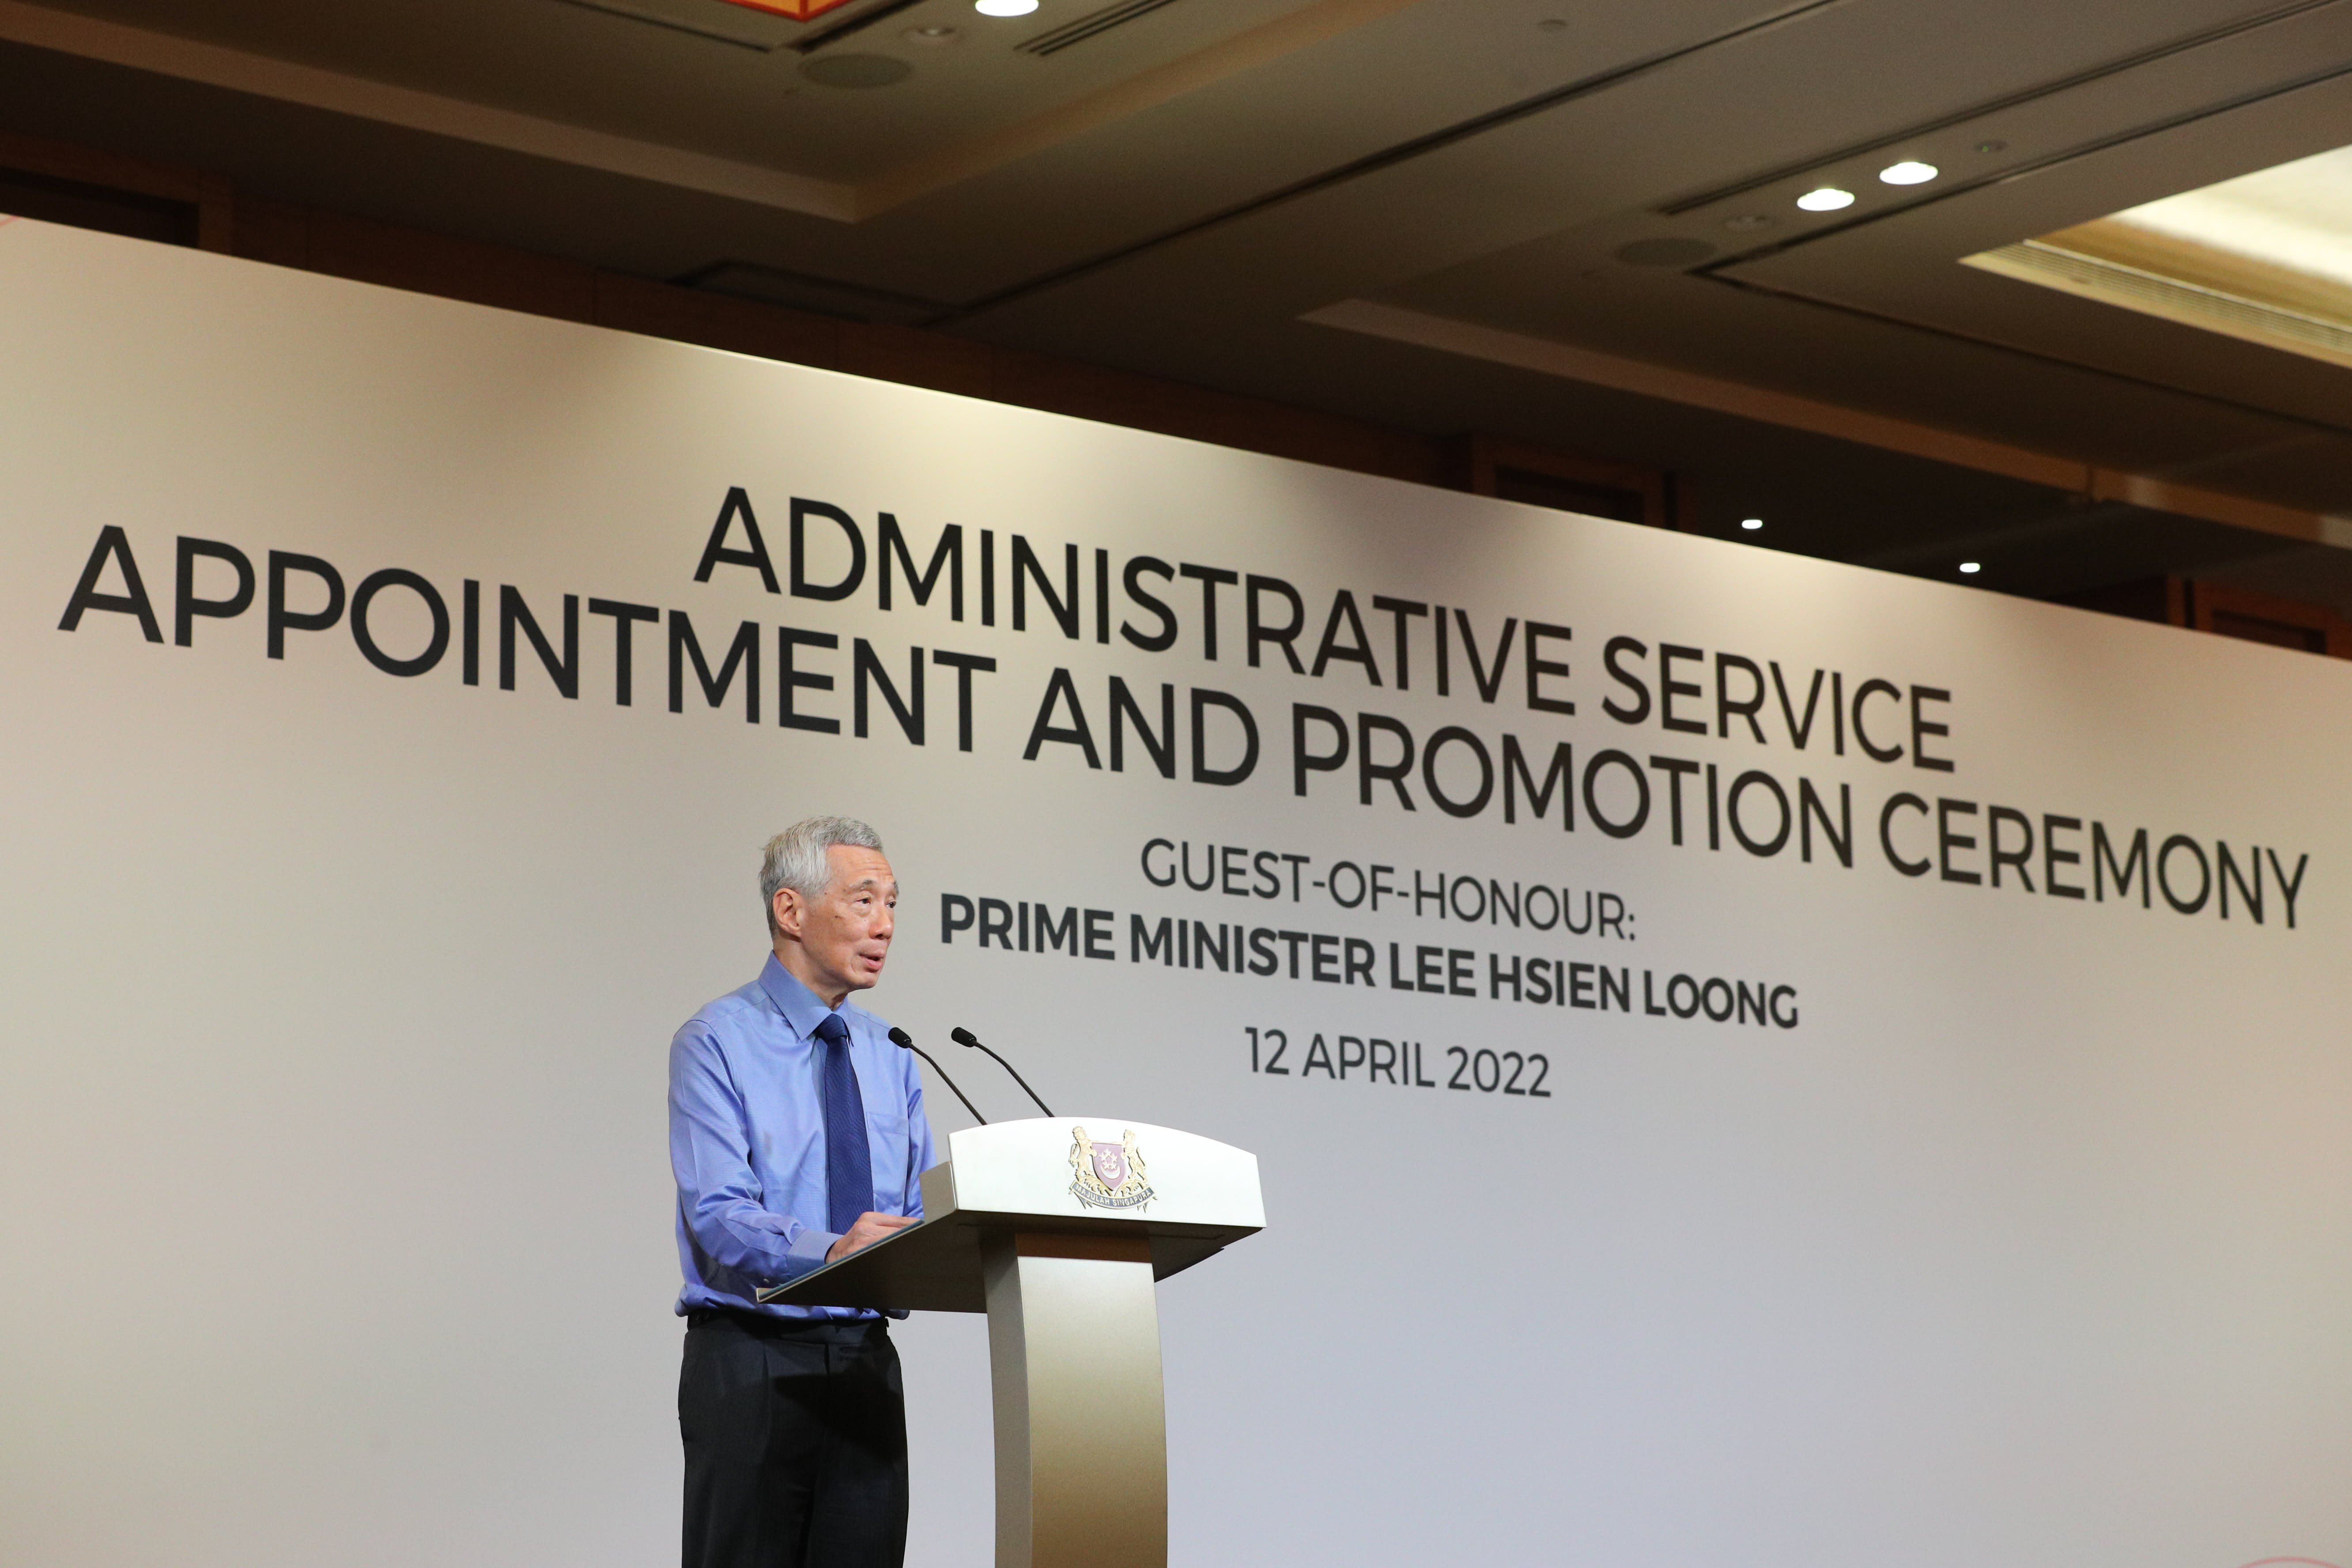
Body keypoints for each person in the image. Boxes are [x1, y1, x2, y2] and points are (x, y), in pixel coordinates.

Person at [668, 816, 936, 1568]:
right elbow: (719, 1217)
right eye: (863, 901)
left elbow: (914, 1217)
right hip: (753, 1363)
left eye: (892, 905)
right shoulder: (715, 1040)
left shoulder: (892, 1055)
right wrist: (834, 1252)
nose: (884, 925)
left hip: (864, 1367)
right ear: (791, 911)